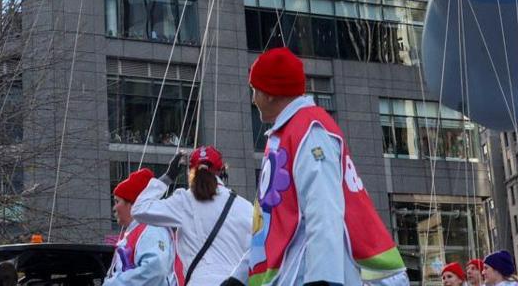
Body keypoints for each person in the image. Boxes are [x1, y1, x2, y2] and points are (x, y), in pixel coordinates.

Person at [249, 45, 405, 285]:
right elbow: (268, 224)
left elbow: (324, 208)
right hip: (298, 269)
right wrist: (239, 276)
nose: (253, 99)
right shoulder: (291, 132)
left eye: (255, 90)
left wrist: (322, 278)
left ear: (270, 93)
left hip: (306, 270)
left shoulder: (309, 130)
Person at [137, 145, 256, 286]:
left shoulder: (184, 201)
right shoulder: (245, 207)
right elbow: (258, 252)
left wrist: (168, 177)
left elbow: (140, 209)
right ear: (222, 171)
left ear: (190, 172)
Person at [108, 169, 183, 286]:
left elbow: (155, 271)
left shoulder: (152, 228)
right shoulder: (140, 229)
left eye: (117, 201)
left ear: (132, 203)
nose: (114, 208)